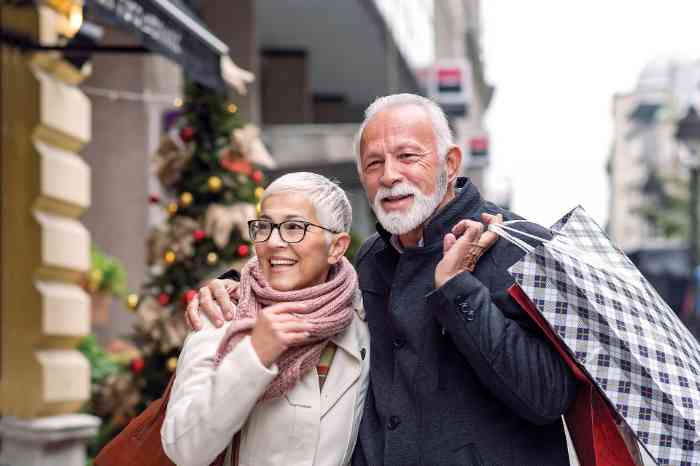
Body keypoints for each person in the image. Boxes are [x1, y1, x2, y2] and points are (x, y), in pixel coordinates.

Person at [186, 94, 577, 465]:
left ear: (451, 163)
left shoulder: (520, 246)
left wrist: (457, 287)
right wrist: (237, 287)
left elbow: (546, 396)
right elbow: (313, 288)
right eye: (374, 164)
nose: (389, 176)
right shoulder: (373, 256)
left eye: (408, 157)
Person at [162, 173, 372, 466]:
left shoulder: (360, 322)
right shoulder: (224, 315)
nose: (273, 242)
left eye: (294, 227)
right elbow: (183, 448)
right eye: (264, 227)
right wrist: (253, 356)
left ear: (336, 247)